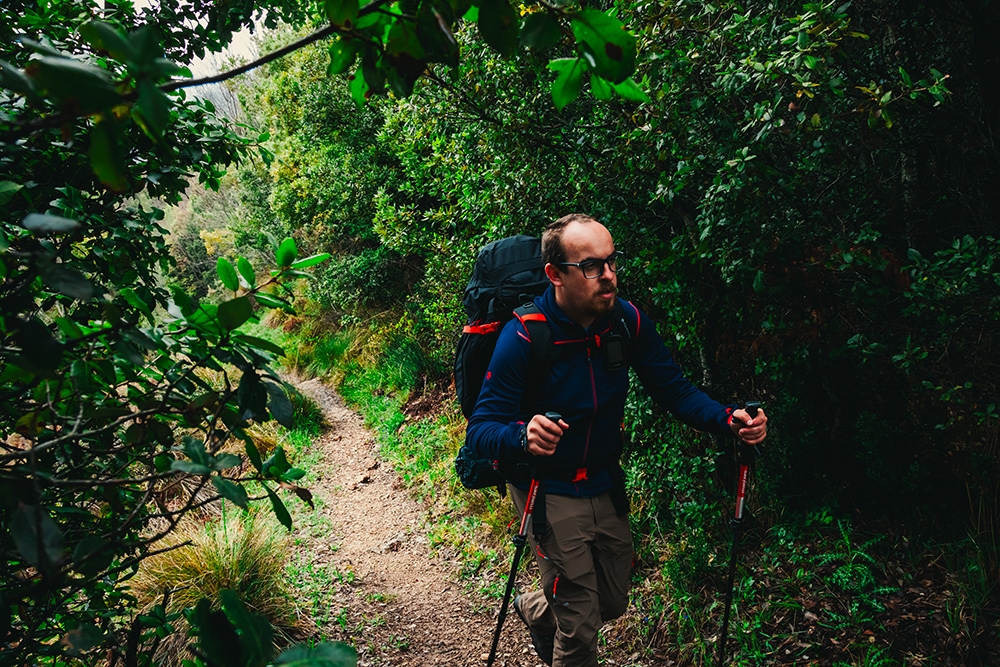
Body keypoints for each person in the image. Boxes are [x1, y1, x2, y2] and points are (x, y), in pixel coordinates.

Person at [464, 214, 768, 667]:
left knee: (611, 602)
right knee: (582, 623)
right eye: (590, 266)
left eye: (610, 262)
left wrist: (729, 420)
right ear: (555, 274)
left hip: (605, 482)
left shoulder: (624, 321)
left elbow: (675, 390)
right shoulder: (526, 335)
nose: (607, 276)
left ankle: (535, 609)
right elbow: (480, 430)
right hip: (546, 487)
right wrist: (521, 435)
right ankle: (560, 615)